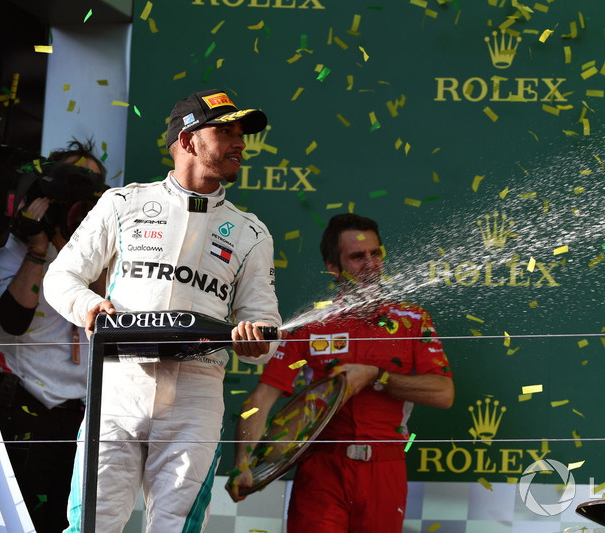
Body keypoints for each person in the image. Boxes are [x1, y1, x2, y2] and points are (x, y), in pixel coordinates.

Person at [43, 89, 282, 533]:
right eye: (225, 131)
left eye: (241, 134)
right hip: (117, 386)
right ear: (188, 140)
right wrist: (90, 307)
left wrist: (257, 340)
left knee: (177, 529)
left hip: (197, 392)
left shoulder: (252, 233)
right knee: (90, 525)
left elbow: (265, 330)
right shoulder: (122, 203)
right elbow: (60, 279)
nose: (240, 144)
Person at [229, 213, 454, 533]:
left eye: (376, 254)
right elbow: (262, 398)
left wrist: (378, 377)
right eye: (357, 257)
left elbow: (444, 394)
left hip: (385, 469)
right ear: (333, 267)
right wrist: (242, 463)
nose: (370, 264)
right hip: (321, 469)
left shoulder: (412, 320)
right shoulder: (310, 326)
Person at [0, 138, 107, 533]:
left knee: (68, 523)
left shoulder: (103, 255)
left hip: (80, 420)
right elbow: (13, 321)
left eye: (90, 187)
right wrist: (39, 247)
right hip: (21, 406)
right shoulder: (14, 251)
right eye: (72, 182)